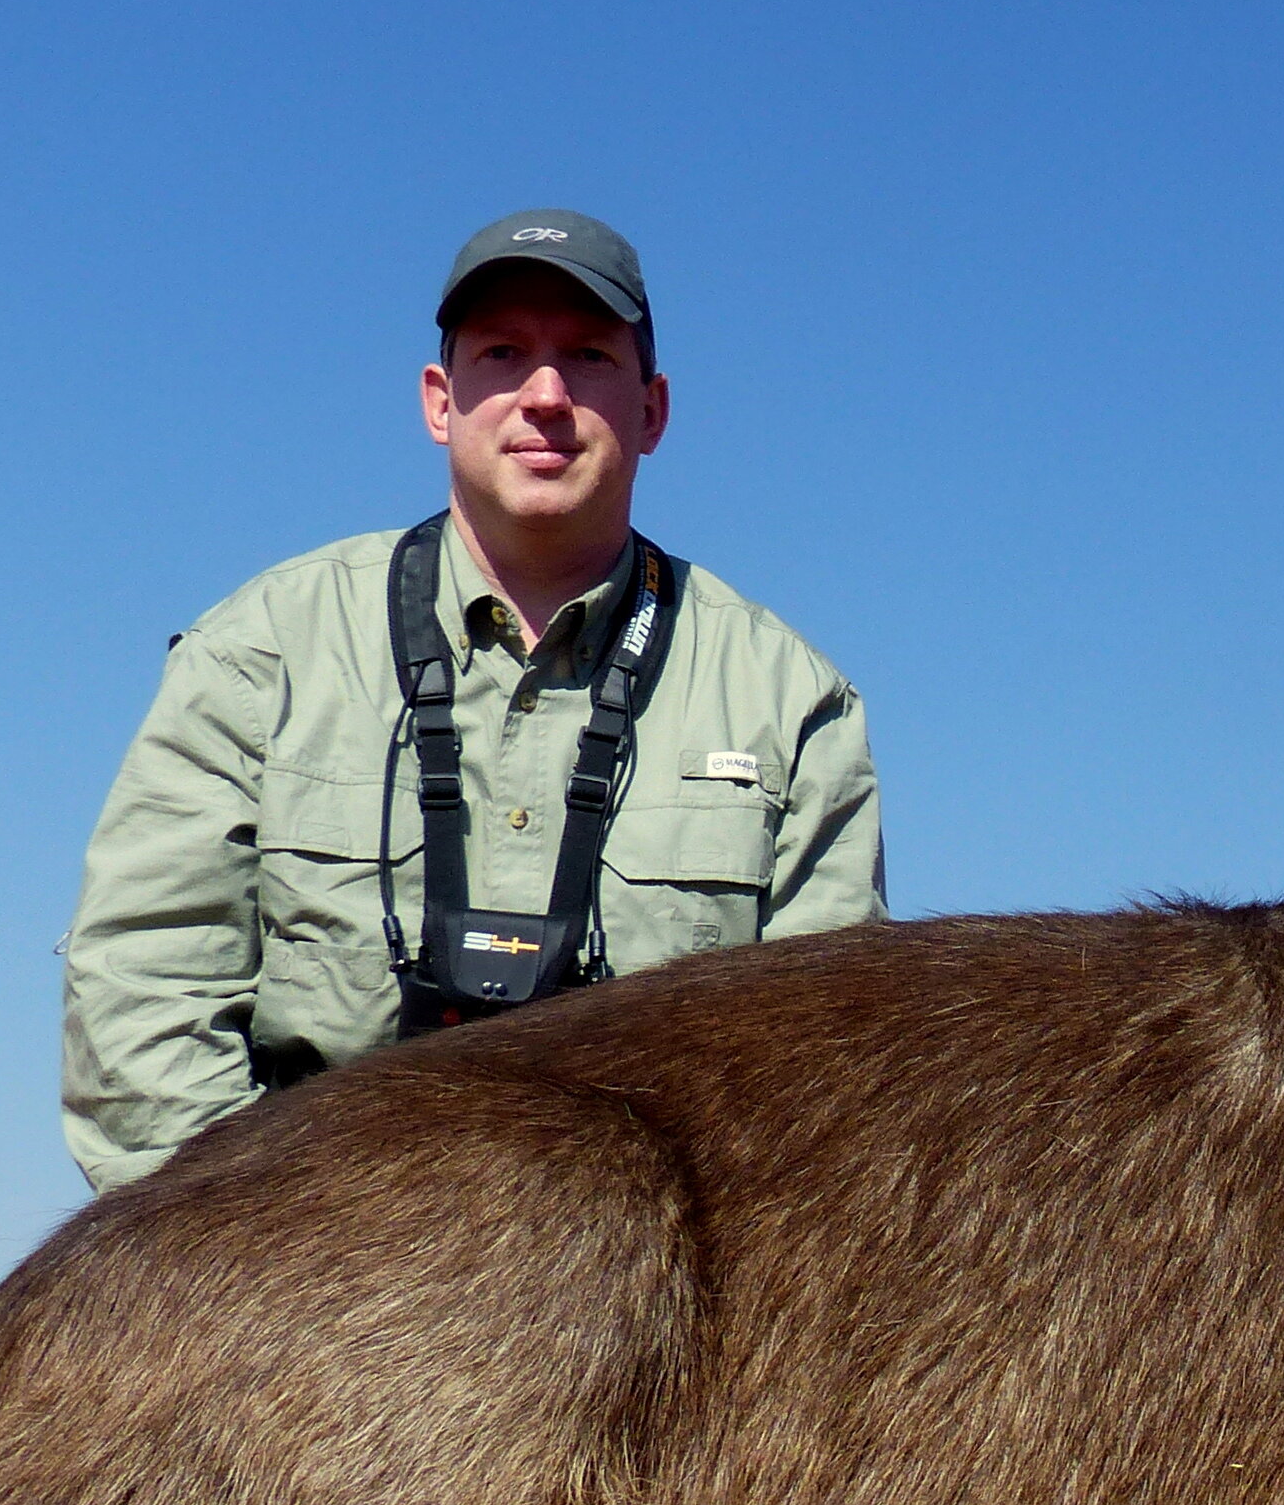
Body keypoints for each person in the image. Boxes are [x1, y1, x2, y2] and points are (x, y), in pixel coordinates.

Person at [60, 209, 883, 1190]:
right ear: (440, 401)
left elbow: (825, 1089)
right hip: (295, 1274)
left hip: (650, 1291)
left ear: (653, 411)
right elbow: (142, 992)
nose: (544, 396)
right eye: (503, 353)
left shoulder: (792, 702)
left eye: (587, 357)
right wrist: (269, 1269)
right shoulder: (259, 651)